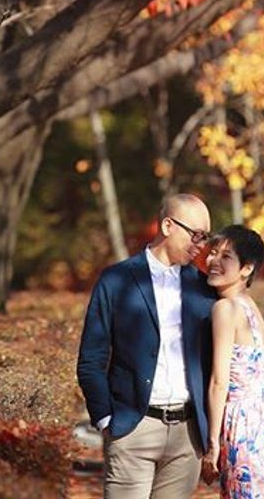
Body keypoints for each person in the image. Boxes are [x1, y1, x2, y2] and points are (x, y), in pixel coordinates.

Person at [77, 193, 215, 498]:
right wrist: (105, 419)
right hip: (132, 428)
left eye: (206, 238)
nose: (201, 245)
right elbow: (91, 357)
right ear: (168, 225)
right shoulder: (116, 280)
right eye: (196, 235)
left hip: (187, 435)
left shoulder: (203, 288)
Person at [201, 225, 264, 498]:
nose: (213, 261)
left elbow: (219, 382)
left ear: (247, 268)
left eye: (226, 257)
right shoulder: (250, 307)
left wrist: (212, 445)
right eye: (213, 252)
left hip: (242, 428)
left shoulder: (225, 309)